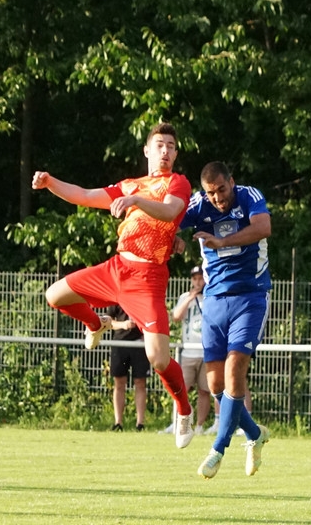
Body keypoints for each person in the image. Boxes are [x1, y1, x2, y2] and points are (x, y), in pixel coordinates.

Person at [32, 122, 196, 449]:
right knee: (55, 295)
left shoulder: (177, 182)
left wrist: (135, 201)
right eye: (159, 145)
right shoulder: (130, 184)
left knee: (158, 359)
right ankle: (97, 323)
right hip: (117, 267)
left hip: (148, 278)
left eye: (170, 146)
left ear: (176, 154)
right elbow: (84, 195)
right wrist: (50, 183)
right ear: (147, 151)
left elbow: (168, 212)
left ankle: (184, 410)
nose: (165, 151)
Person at [178, 161, 272, 480]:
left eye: (221, 189)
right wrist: (174, 239)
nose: (217, 197)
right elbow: (172, 222)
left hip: (250, 296)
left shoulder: (249, 196)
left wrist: (223, 242)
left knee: (235, 371)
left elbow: (263, 228)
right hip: (215, 301)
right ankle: (255, 434)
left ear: (231, 182)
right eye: (211, 192)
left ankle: (217, 449)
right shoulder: (198, 204)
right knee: (216, 384)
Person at [171, 265, 213, 434]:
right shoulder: (184, 297)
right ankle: (179, 423)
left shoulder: (210, 296)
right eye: (195, 279)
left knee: (204, 390)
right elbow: (175, 317)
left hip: (206, 351)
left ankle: (200, 426)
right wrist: (190, 298)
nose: (198, 282)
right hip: (188, 352)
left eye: (200, 278)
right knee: (182, 390)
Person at [106, 305, 149, 432]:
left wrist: (146, 333)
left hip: (139, 344)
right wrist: (122, 325)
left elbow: (150, 317)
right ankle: (118, 422)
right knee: (119, 383)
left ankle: (140, 423)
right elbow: (108, 321)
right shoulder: (116, 299)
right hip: (120, 344)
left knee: (140, 382)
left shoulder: (141, 297)